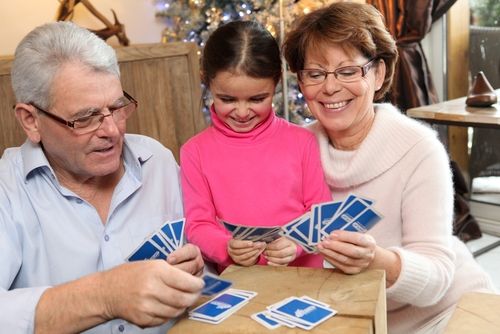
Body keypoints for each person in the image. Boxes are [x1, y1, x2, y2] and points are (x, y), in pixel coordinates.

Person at [282, 3, 497, 334]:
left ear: (379, 73)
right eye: (315, 73)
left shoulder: (419, 150)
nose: (330, 87)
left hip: (444, 311)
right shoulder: (293, 148)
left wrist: (378, 262)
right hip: (351, 317)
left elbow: (438, 275)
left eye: (348, 71)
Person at [1, 21, 205, 333]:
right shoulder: (7, 189)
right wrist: (105, 295)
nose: (111, 131)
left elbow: (205, 259)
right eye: (85, 118)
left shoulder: (158, 161)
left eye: (117, 108)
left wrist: (194, 266)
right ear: (31, 121)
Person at [181, 20, 331, 273]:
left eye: (257, 99)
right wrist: (226, 246)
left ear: (276, 83)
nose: (241, 112)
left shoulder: (301, 141)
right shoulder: (195, 152)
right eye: (227, 99)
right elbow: (198, 224)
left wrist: (297, 242)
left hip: (305, 279)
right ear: (206, 82)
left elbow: (321, 211)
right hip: (241, 284)